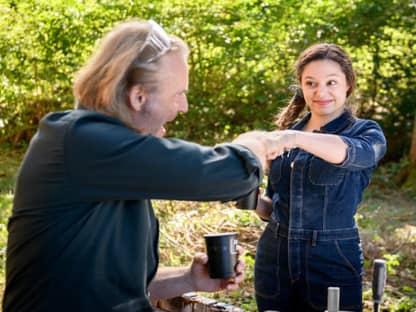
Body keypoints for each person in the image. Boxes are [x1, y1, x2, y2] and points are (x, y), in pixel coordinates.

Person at [3, 19, 283, 312]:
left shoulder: (109, 159)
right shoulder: (84, 141)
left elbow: (115, 286)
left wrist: (188, 278)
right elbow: (229, 175)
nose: (183, 107)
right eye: (178, 94)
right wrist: (256, 144)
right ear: (138, 97)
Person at [253, 43, 387, 311]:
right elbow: (272, 208)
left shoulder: (365, 133)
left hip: (332, 260)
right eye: (311, 83)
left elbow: (356, 154)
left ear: (348, 84)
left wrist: (295, 138)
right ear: (301, 86)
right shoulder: (287, 133)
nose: (320, 91)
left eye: (331, 82)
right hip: (273, 258)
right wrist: (248, 199)